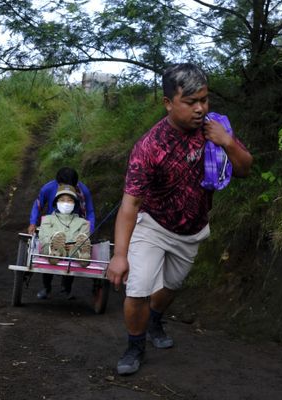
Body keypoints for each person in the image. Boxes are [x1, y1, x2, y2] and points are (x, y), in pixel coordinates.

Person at [106, 63, 253, 375]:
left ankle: (155, 320)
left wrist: (226, 141)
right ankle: (135, 346)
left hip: (193, 229)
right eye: (190, 102)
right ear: (168, 102)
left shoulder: (214, 129)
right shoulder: (149, 147)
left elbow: (245, 169)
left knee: (171, 287)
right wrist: (120, 255)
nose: (200, 108)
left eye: (204, 99)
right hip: (155, 226)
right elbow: (130, 203)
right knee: (138, 290)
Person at [28, 167, 95, 299]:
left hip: (74, 224)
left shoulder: (83, 191)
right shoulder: (48, 188)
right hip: (53, 223)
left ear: (76, 185)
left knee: (74, 249)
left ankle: (66, 287)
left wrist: (89, 230)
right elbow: (38, 205)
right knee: (52, 245)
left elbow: (90, 211)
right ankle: (47, 287)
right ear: (57, 183)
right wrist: (32, 222)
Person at [38, 184, 91, 266]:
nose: (66, 203)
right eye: (62, 200)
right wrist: (58, 245)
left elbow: (83, 238)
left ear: (74, 203)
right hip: (51, 246)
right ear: (57, 203)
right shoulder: (47, 219)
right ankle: (54, 252)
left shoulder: (83, 222)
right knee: (47, 246)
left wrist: (74, 245)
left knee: (77, 248)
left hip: (73, 250)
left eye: (69, 200)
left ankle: (82, 256)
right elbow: (44, 237)